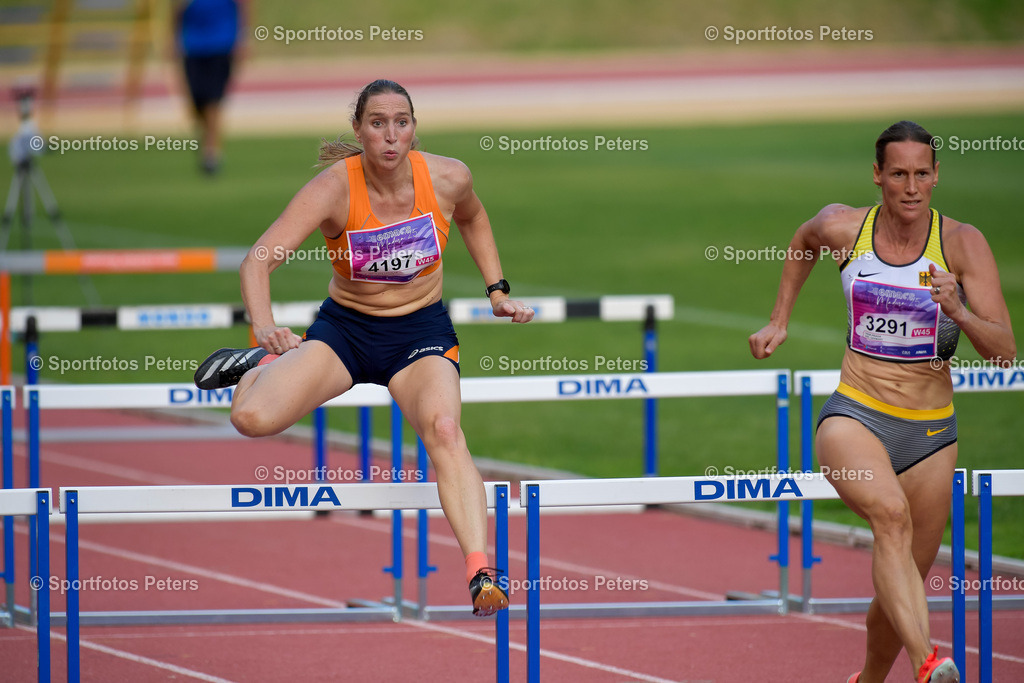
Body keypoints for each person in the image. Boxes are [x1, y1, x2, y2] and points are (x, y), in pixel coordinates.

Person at [193, 79, 534, 616]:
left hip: (420, 334)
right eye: (378, 123)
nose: (391, 136)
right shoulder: (334, 189)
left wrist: (497, 289)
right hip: (345, 333)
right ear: (359, 130)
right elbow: (258, 260)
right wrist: (265, 330)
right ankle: (262, 365)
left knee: (445, 430)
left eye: (402, 122)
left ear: (414, 128)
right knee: (251, 418)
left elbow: (472, 216)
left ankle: (481, 569)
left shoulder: (448, 177)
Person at [749, 121, 1014, 683]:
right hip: (855, 413)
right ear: (878, 176)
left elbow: (1004, 353)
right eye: (899, 174)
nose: (911, 187)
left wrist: (959, 311)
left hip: (931, 432)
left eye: (922, 174)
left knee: (904, 584)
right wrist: (779, 320)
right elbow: (803, 240)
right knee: (890, 519)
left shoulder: (963, 243)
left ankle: (869, 679)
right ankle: (928, 664)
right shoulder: (845, 229)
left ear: (937, 176)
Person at [172, 0, 248, 174]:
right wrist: (173, 38)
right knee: (196, 103)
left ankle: (212, 152)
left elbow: (244, 5)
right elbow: (177, 7)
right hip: (192, 45)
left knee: (213, 99)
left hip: (221, 44)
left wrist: (243, 38)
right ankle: (207, 139)